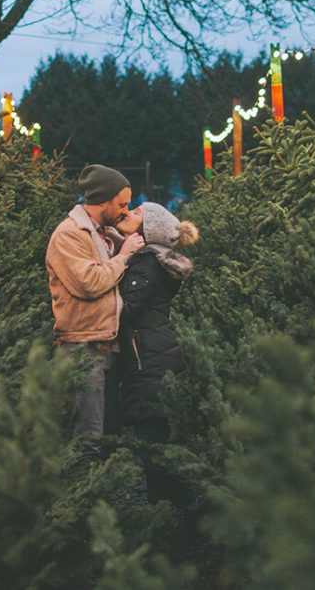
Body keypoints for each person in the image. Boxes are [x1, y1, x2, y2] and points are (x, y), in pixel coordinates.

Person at [46, 164, 145, 455]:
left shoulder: (103, 233)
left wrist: (122, 241)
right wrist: (124, 255)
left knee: (108, 431)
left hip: (104, 342)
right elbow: (89, 282)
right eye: (122, 204)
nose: (126, 211)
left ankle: (105, 494)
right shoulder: (69, 235)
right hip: (83, 346)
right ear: (103, 201)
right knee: (88, 435)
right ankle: (82, 495)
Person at [116, 202, 199, 508]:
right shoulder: (152, 260)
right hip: (154, 352)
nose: (128, 213)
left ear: (146, 231)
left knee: (152, 445)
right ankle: (176, 509)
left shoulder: (146, 263)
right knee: (155, 442)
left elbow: (125, 310)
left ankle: (179, 511)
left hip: (147, 358)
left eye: (136, 212)